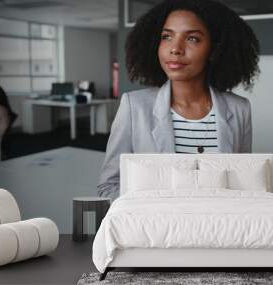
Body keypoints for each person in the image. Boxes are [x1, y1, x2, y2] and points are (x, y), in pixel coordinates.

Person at [98, 0, 260, 200]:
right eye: (166, 36)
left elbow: (246, 183)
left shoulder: (239, 109)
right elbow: (109, 186)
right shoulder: (134, 107)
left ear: (215, 48)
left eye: (192, 38)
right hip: (157, 228)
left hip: (218, 227)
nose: (175, 48)